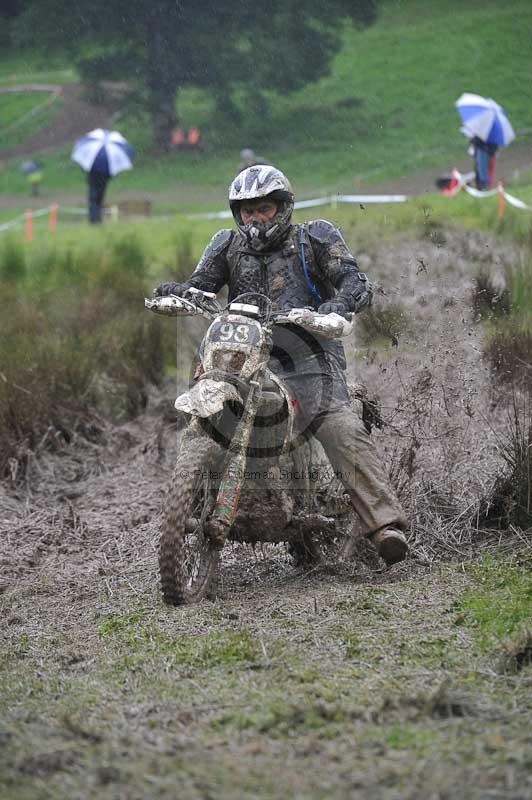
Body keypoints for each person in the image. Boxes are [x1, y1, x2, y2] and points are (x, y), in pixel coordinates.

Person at [154, 165, 408, 565]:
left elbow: (353, 280)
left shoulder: (315, 237)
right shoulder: (226, 245)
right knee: (202, 414)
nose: (255, 218)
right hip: (244, 357)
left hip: (309, 359)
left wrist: (337, 306)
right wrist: (181, 292)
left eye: (264, 208)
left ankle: (384, 525)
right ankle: (189, 502)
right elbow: (201, 285)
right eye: (248, 211)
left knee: (337, 423)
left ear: (283, 208)